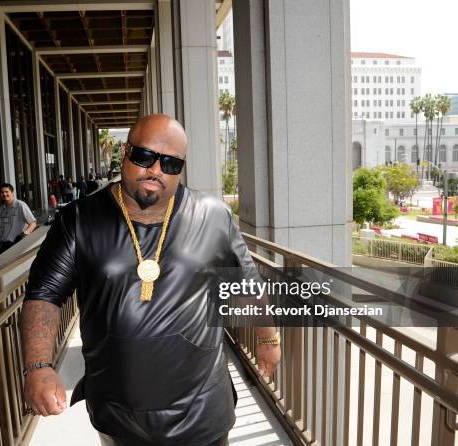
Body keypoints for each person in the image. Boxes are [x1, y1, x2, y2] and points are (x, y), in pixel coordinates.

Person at [21, 114, 281, 446]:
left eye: (170, 163)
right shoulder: (79, 219)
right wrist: (38, 365)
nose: (155, 170)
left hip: (202, 410)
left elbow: (246, 284)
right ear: (125, 152)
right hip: (120, 413)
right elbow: (44, 294)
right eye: (145, 156)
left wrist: (269, 339)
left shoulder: (213, 215)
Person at [0, 183, 37, 259]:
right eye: (2, 192)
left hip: (19, 245)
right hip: (5, 245)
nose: (4, 194)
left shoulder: (20, 205)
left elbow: (33, 223)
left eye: (7, 191)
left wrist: (24, 234)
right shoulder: (1, 210)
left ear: (12, 193)